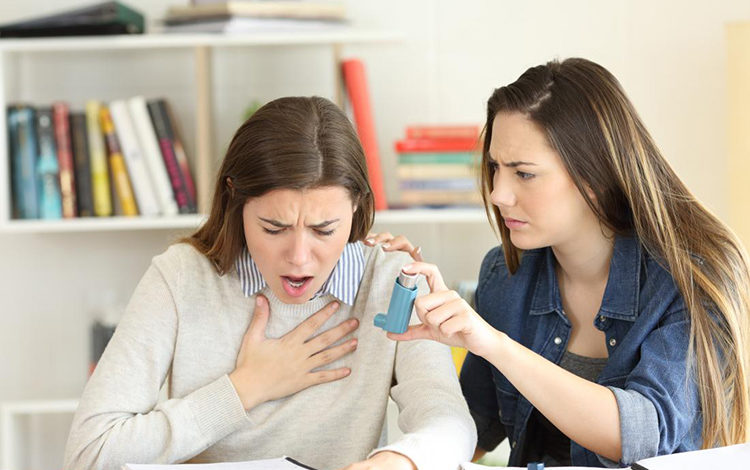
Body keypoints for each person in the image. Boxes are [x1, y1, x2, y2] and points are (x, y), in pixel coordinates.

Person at [367, 58, 750, 467]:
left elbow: (643, 436)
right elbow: (469, 432)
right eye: (495, 167)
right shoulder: (504, 276)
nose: (498, 194)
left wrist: (495, 345)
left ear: (594, 176)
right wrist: (409, 304)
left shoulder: (692, 277)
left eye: (524, 174)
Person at [63, 96, 476, 470]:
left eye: (324, 229)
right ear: (235, 199)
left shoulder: (393, 280)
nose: (298, 257)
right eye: (274, 228)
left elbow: (451, 422)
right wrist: (243, 389)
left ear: (357, 205)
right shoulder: (182, 277)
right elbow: (89, 453)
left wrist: (401, 461)